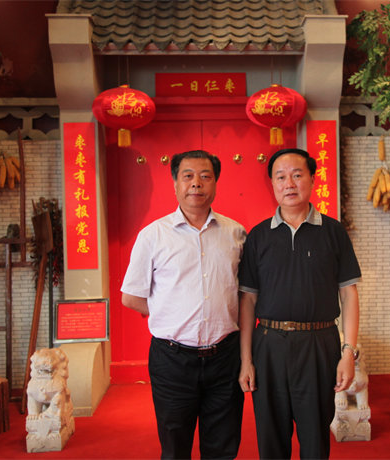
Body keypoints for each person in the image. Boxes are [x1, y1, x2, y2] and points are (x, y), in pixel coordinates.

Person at [121, 150, 246, 459]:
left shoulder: (236, 234)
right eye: (187, 176)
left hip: (225, 357)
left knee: (223, 446)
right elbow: (131, 296)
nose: (196, 183)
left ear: (215, 183)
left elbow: (246, 294)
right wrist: (170, 311)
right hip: (172, 360)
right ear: (175, 183)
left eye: (205, 176)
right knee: (175, 447)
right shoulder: (153, 235)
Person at [238, 148, 361, 459]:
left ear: (312, 179)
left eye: (297, 175)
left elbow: (348, 294)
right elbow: (248, 300)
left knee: (315, 437)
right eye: (280, 177)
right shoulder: (258, 237)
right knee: (271, 438)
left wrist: (348, 352)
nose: (289, 184)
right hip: (269, 346)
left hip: (319, 345)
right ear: (272, 184)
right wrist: (246, 360)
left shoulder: (333, 232)